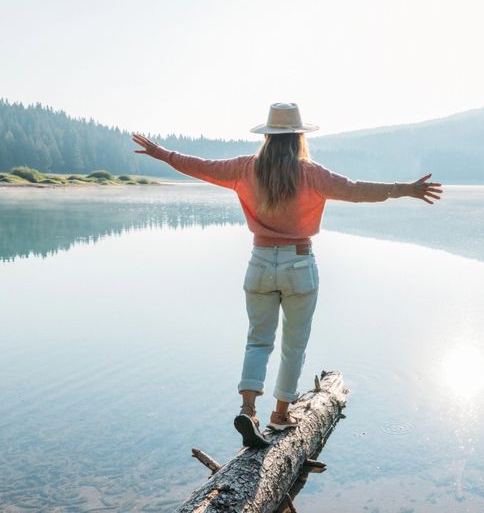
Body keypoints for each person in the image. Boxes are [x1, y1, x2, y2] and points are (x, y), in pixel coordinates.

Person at [132, 102, 442, 447]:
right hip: (299, 265)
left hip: (260, 263)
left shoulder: (244, 168)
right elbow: (357, 190)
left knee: (257, 341)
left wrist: (162, 154)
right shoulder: (311, 173)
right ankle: (281, 415)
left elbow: (200, 167)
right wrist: (406, 189)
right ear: (298, 138)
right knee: (293, 345)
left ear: (267, 137)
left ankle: (248, 410)